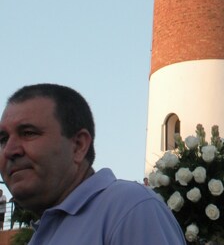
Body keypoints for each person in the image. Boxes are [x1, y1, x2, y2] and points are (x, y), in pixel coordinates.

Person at [0, 83, 185, 244]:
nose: (10, 150)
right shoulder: (43, 233)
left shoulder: (129, 209)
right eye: (3, 139)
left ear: (78, 145)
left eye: (28, 133)